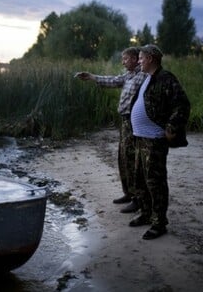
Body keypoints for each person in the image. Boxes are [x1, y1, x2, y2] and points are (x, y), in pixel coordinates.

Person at [128, 44, 190, 240]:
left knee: (155, 183)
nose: (138, 61)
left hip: (154, 140)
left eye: (140, 58)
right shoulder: (148, 78)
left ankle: (159, 223)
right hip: (140, 138)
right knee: (140, 180)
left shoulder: (166, 78)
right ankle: (146, 214)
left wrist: (172, 127)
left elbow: (182, 104)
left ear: (151, 58)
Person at [75, 47, 147, 213]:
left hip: (133, 121)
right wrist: (92, 77)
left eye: (126, 59)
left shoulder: (143, 75)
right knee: (122, 157)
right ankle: (128, 193)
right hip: (124, 122)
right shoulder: (128, 75)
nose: (123, 61)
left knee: (131, 159)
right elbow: (114, 80)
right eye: (122, 58)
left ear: (136, 59)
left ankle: (138, 199)